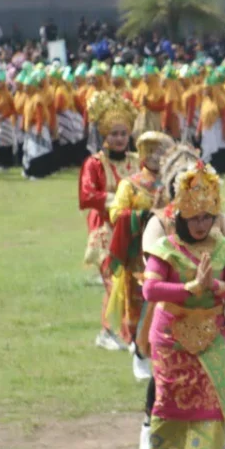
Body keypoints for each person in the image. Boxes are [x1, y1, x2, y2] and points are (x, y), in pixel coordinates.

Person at [140, 162, 225, 449]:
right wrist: (189, 287)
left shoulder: (221, 248)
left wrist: (215, 285)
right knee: (166, 402)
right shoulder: (167, 248)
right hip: (171, 336)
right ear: (181, 218)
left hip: (213, 331)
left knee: (215, 399)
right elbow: (151, 290)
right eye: (195, 218)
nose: (202, 225)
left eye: (208, 217)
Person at [105, 131, 176, 380]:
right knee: (138, 304)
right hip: (137, 257)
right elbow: (116, 214)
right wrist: (143, 216)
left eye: (161, 152)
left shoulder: (172, 185)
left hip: (167, 255)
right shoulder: (130, 184)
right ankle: (140, 353)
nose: (157, 157)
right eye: (152, 151)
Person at [80, 92, 140, 351]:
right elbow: (87, 195)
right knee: (113, 280)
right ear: (104, 135)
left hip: (133, 229)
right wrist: (118, 199)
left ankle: (132, 332)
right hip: (105, 230)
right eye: (113, 134)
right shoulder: (94, 163)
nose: (118, 139)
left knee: (134, 280)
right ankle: (107, 331)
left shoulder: (137, 162)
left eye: (123, 134)